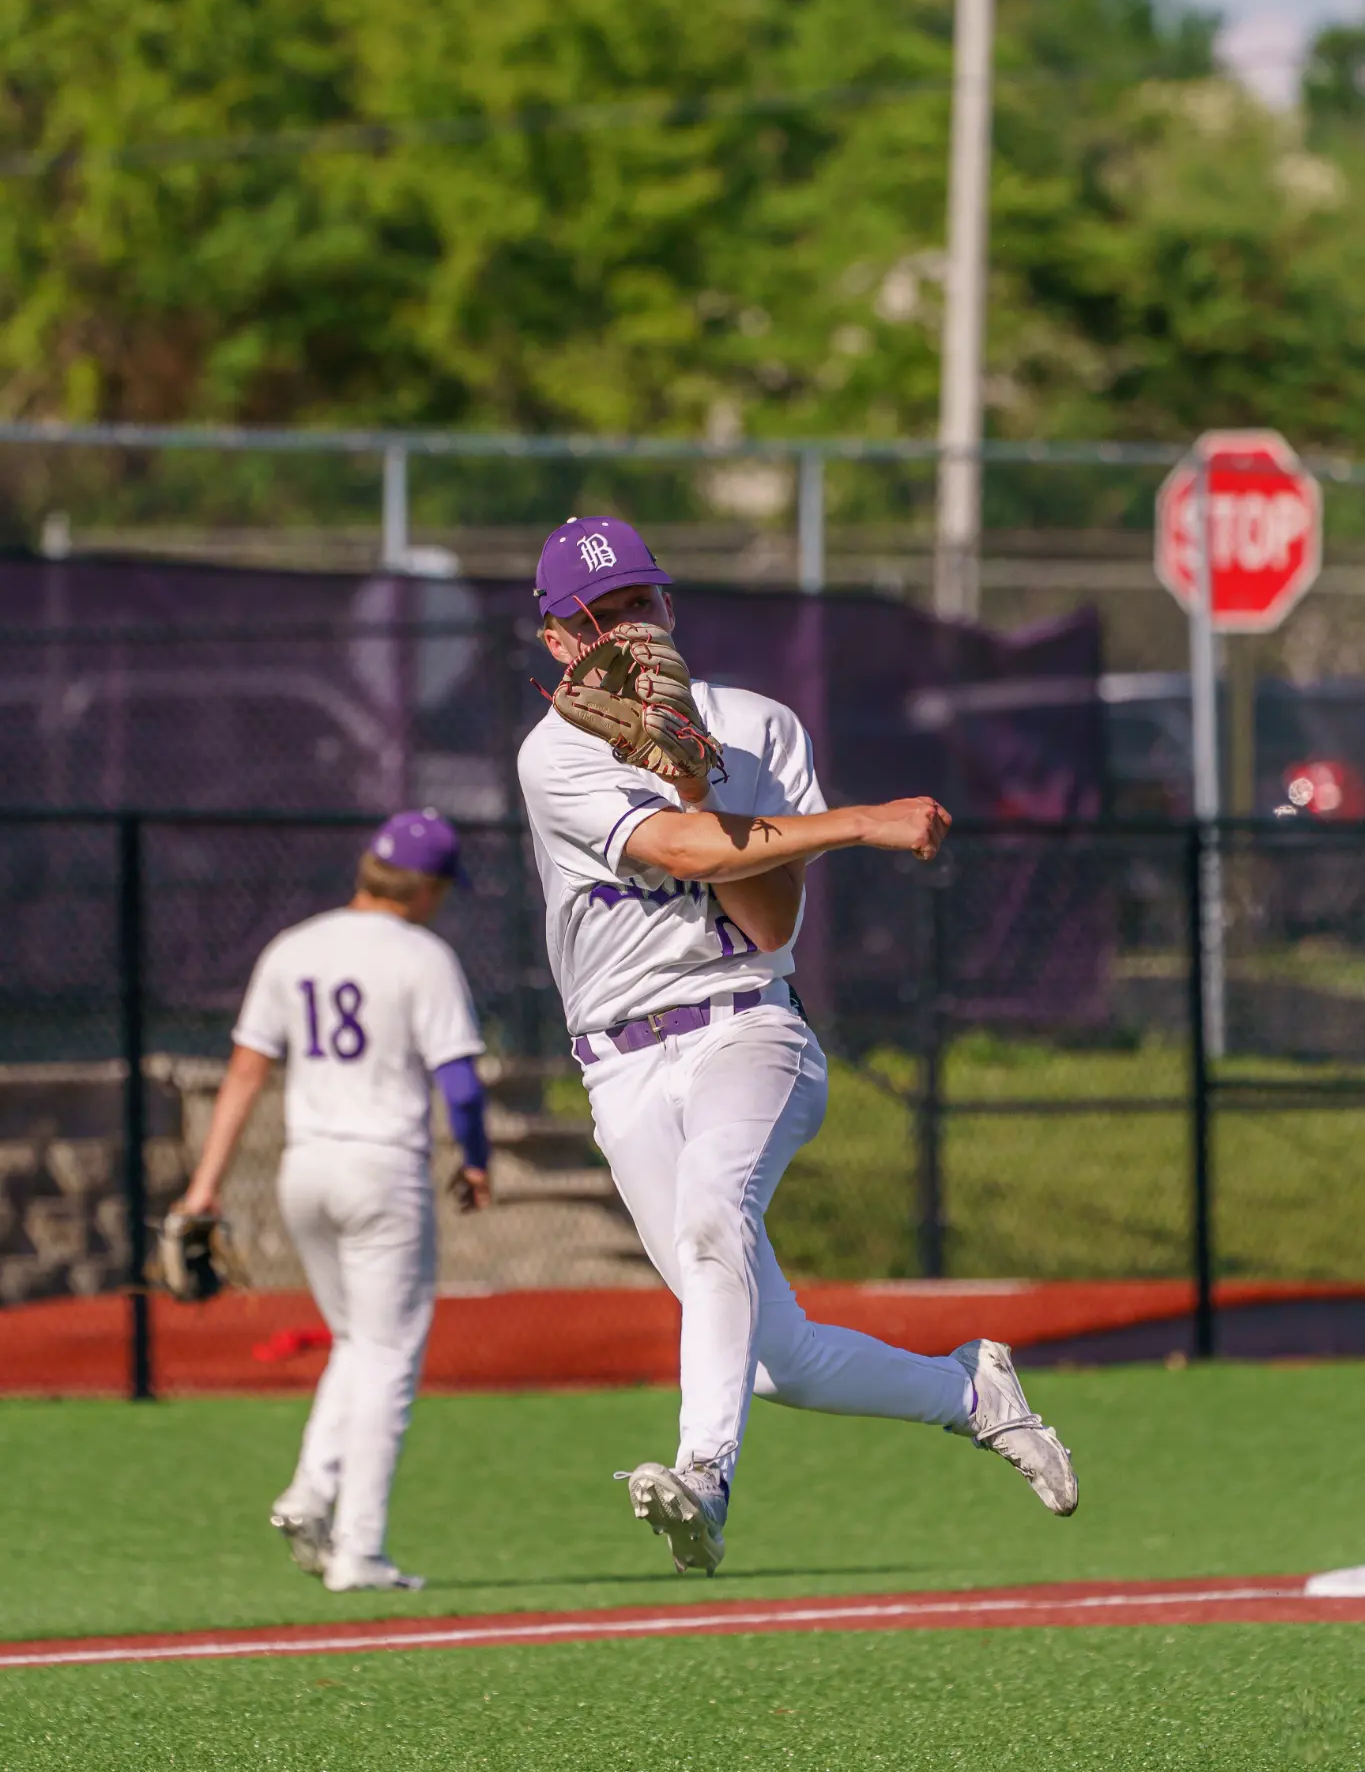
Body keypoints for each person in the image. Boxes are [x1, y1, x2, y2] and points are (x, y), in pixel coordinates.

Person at [517, 515, 1078, 1576]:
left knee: (712, 1215)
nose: (628, 633)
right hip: (620, 1066)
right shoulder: (554, 752)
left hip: (745, 1025)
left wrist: (700, 771)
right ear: (559, 644)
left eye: (641, 605)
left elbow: (769, 924)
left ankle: (703, 1476)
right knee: (781, 1359)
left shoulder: (754, 725)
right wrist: (858, 822)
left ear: (671, 608)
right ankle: (972, 1392)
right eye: (601, 618)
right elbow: (680, 850)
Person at [179, 810, 490, 1593]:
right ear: (426, 888)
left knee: (358, 1341)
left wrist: (204, 1185)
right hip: (381, 1170)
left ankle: (309, 1493)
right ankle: (360, 1550)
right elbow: (457, 1080)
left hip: (304, 1170)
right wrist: (477, 1161)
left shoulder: (295, 946)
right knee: (389, 1357)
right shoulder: (422, 954)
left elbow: (246, 1072)